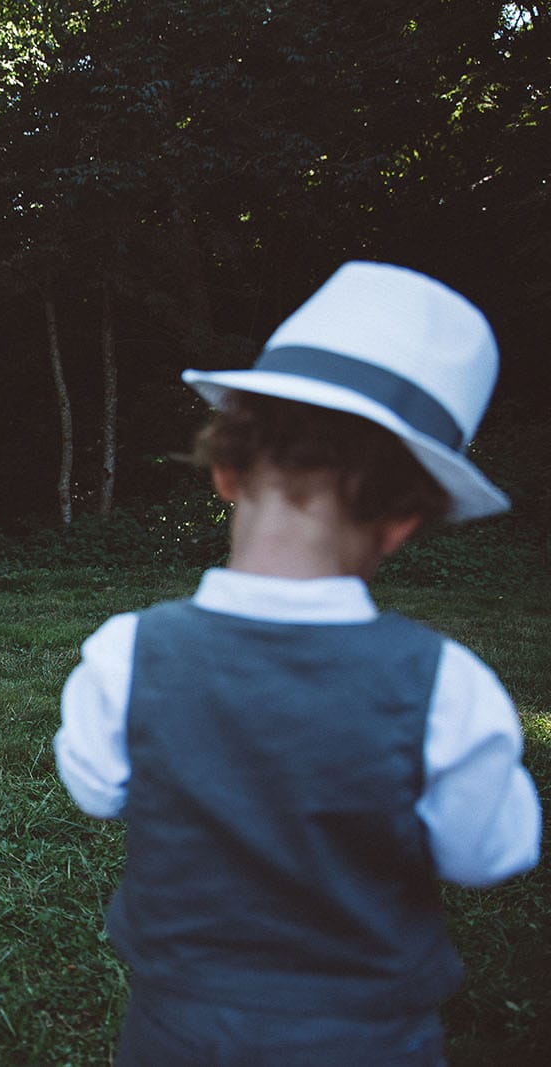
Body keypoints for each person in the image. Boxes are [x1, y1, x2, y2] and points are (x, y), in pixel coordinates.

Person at [53, 261, 541, 1065]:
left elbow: (95, 786)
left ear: (225, 471)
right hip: (370, 1039)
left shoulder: (127, 653)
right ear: (405, 520)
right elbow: (490, 852)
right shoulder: (446, 688)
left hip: (175, 1033)